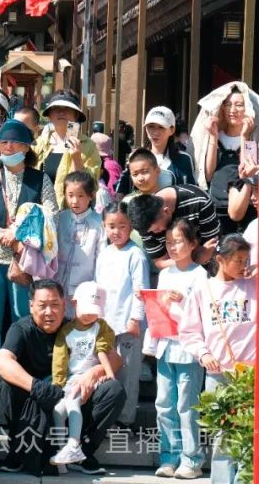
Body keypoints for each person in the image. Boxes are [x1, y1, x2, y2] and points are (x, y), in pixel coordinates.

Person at [0, 280, 126, 476]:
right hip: (35, 399)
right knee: (5, 384)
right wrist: (38, 387)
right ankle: (18, 450)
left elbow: (116, 360)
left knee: (113, 390)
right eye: (42, 305)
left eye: (55, 304)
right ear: (31, 306)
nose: (49, 311)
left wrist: (94, 372)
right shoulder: (21, 329)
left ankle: (82, 452)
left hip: (72, 395)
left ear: (65, 305)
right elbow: (1, 362)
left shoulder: (76, 327)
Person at [0, 119, 58, 372]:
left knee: (24, 318)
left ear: (26, 146)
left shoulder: (40, 179)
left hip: (25, 260)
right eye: (2, 142)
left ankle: (22, 373)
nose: (6, 147)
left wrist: (19, 236)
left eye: (12, 142)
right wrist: (5, 235)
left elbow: (50, 214)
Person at [177, 234, 255, 484]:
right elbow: (189, 330)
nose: (244, 265)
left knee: (249, 432)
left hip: (250, 374)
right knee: (223, 433)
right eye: (238, 260)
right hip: (218, 374)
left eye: (247, 260)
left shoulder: (253, 285)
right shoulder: (203, 289)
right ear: (220, 259)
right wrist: (204, 353)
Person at [150, 219, 208, 480]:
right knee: (164, 404)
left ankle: (192, 459)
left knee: (187, 405)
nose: (172, 247)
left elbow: (205, 314)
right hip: (165, 346)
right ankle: (168, 457)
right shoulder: (165, 274)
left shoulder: (200, 275)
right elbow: (157, 312)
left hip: (189, 349)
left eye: (178, 241)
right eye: (169, 242)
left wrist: (184, 301)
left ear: (192, 243)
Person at [48, 281, 116, 467]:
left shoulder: (101, 326)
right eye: (87, 310)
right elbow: (60, 360)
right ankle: (62, 455)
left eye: (95, 311)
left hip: (92, 377)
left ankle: (73, 444)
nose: (90, 315)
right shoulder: (67, 331)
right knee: (58, 411)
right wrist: (59, 384)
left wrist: (109, 374)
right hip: (72, 379)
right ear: (74, 303)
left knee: (72, 401)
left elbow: (103, 350)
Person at [93, 202, 148, 428]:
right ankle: (107, 417)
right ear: (104, 226)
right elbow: (98, 287)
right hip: (106, 324)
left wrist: (135, 319)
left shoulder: (136, 255)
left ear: (131, 226)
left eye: (122, 226)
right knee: (107, 372)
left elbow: (141, 290)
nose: (116, 231)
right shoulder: (104, 253)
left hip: (128, 325)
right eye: (111, 226)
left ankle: (125, 419)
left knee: (128, 372)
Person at [191, 83, 259, 232]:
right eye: (228, 104)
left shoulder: (251, 137)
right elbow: (208, 174)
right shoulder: (216, 135)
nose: (233, 110)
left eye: (239, 105)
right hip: (217, 206)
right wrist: (213, 136)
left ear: (247, 108)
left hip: (244, 207)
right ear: (222, 107)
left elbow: (248, 170)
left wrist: (245, 135)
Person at [33, 90, 101, 208]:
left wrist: (77, 159)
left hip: (72, 214)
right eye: (56, 108)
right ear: (49, 115)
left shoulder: (88, 145)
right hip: (42, 212)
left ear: (76, 115)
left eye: (67, 108)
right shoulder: (38, 144)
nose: (61, 112)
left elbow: (92, 186)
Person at [127, 183, 219, 269]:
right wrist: (193, 259)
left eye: (157, 228)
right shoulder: (144, 223)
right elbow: (160, 262)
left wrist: (185, 258)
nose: (154, 233)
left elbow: (211, 247)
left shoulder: (199, 202)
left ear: (166, 211)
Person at [53, 171, 103, 317]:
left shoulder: (98, 222)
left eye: (80, 196)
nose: (75, 201)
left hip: (84, 286)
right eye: (70, 195)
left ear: (91, 196)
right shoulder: (59, 219)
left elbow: (101, 257)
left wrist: (95, 286)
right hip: (59, 283)